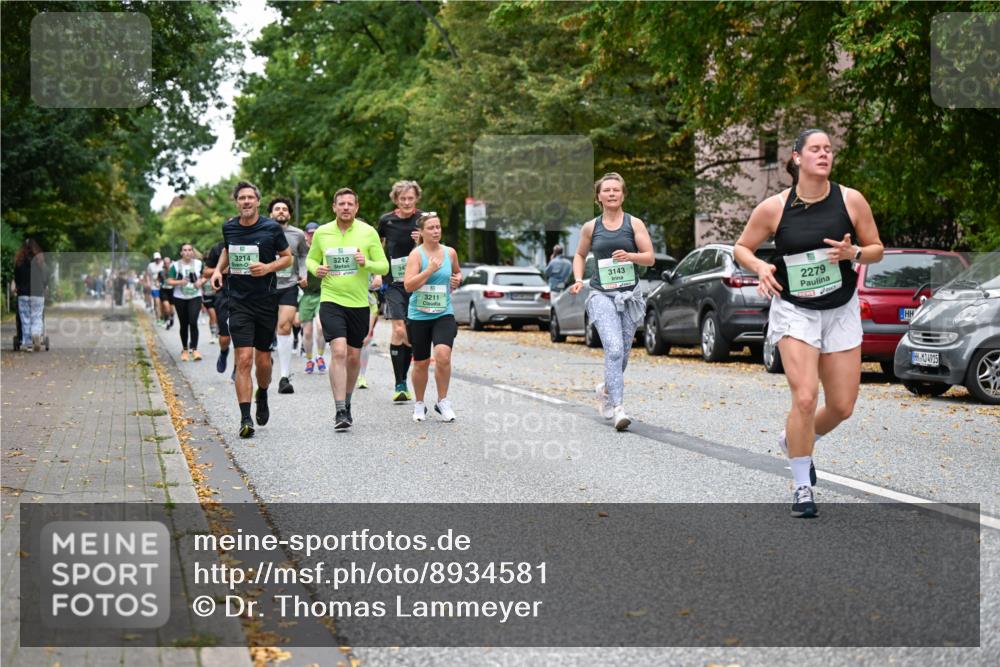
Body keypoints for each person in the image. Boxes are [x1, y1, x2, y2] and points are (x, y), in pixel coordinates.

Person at [734, 128, 883, 519]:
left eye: (828, 149)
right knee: (804, 397)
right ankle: (801, 485)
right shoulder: (775, 208)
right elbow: (741, 248)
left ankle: (796, 439)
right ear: (797, 158)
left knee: (842, 405)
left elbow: (877, 249)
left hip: (840, 308)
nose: (824, 154)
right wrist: (761, 266)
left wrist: (855, 252)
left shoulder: (851, 200)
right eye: (815, 149)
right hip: (793, 308)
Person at [568, 172, 655, 431]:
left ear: (623, 194)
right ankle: (618, 408)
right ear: (599, 197)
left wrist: (630, 256)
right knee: (614, 350)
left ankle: (605, 389)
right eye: (607, 190)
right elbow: (580, 254)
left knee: (623, 356)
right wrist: (578, 278)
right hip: (602, 294)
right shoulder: (591, 227)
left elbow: (649, 257)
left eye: (616, 190)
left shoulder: (634, 224)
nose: (612, 194)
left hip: (630, 296)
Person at [210, 181, 292, 438]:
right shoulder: (229, 226)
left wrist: (267, 268)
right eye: (241, 198)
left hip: (265, 300)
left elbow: (287, 257)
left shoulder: (270, 228)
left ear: (257, 201)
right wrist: (217, 270)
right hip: (238, 300)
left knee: (263, 361)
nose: (246, 202)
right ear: (237, 202)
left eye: (250, 198)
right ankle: (245, 418)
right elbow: (227, 250)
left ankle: (263, 392)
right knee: (243, 359)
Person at [306, 188, 389, 430]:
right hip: (331, 300)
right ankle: (340, 408)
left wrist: (367, 263)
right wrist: (316, 270)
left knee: (353, 356)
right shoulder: (322, 232)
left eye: (349, 204)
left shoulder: (368, 232)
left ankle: (349, 401)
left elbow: (383, 266)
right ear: (334, 207)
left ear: (356, 207)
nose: (345, 207)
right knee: (339, 351)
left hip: (359, 304)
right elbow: (312, 259)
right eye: (341, 203)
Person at [403, 212, 463, 422]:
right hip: (419, 314)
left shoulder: (450, 252)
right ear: (421, 232)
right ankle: (419, 404)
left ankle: (443, 401)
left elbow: (457, 272)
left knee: (443, 355)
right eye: (431, 228)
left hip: (443, 313)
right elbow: (408, 285)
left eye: (438, 227)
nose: (436, 231)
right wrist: (428, 270)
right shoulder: (416, 255)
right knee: (421, 362)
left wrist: (457, 280)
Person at [378, 180, 424, 402]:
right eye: (402, 198)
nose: (407, 202)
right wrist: (377, 272)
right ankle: (400, 383)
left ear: (416, 199)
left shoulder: (423, 220)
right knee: (398, 331)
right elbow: (377, 247)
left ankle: (405, 376)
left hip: (418, 282)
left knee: (413, 334)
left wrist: (422, 240)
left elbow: (436, 246)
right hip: (395, 282)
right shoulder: (386, 221)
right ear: (396, 200)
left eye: (411, 198)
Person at [267, 197, 310, 394]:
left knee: (284, 326)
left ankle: (284, 376)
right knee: (266, 329)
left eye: (284, 209)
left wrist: (303, 273)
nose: (281, 212)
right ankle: (263, 365)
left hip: (289, 285)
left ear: (289, 214)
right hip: (265, 286)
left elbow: (303, 255)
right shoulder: (263, 231)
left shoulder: (298, 234)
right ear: (270, 214)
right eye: (277, 209)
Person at [167, 243, 206, 361]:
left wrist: (201, 282)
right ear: (181, 252)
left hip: (195, 296)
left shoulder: (199, 264)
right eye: (185, 250)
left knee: (193, 321)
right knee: (184, 324)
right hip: (180, 297)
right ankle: (184, 349)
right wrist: (180, 282)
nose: (187, 252)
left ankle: (194, 349)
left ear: (193, 252)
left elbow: (206, 275)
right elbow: (169, 281)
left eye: (190, 250)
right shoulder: (175, 265)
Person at [298, 222, 327, 374]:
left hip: (323, 294)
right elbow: (293, 271)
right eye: (310, 233)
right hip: (306, 296)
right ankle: (310, 359)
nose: (312, 235)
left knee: (321, 327)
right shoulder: (301, 252)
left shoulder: (324, 250)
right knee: (307, 332)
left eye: (315, 233)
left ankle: (320, 356)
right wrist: (299, 280)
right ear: (305, 235)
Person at [204, 239, 234, 374]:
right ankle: (224, 352)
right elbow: (206, 272)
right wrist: (221, 270)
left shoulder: (251, 244)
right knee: (225, 337)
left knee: (242, 339)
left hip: (246, 295)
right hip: (224, 295)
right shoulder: (218, 248)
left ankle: (238, 369)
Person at [13, 238, 47, 351]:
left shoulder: (19, 262)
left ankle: (27, 344)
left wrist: (17, 287)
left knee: (25, 318)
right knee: (37, 317)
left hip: (23, 294)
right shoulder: (40, 262)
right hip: (37, 293)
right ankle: (36, 334)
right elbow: (45, 277)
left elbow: (16, 279)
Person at [356, 273, 383, 389]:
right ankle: (346, 372)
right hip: (348, 300)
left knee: (366, 338)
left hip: (369, 301)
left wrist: (378, 276)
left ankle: (362, 375)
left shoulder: (369, 257)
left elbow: (380, 267)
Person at [145, 252, 163, 318]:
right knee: (156, 302)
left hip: (163, 286)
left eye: (158, 258)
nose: (157, 260)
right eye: (156, 259)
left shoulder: (163, 264)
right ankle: (158, 318)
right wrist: (148, 282)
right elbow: (147, 274)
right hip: (154, 286)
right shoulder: (150, 265)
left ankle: (163, 316)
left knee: (162, 303)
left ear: (160, 258)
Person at [159, 257, 175, 329]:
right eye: (165, 263)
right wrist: (157, 283)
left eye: (168, 263)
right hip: (164, 290)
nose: (167, 264)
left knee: (171, 309)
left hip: (172, 291)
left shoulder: (174, 272)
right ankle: (167, 320)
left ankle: (171, 317)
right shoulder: (161, 272)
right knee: (166, 307)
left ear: (170, 263)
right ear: (163, 264)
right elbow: (158, 280)